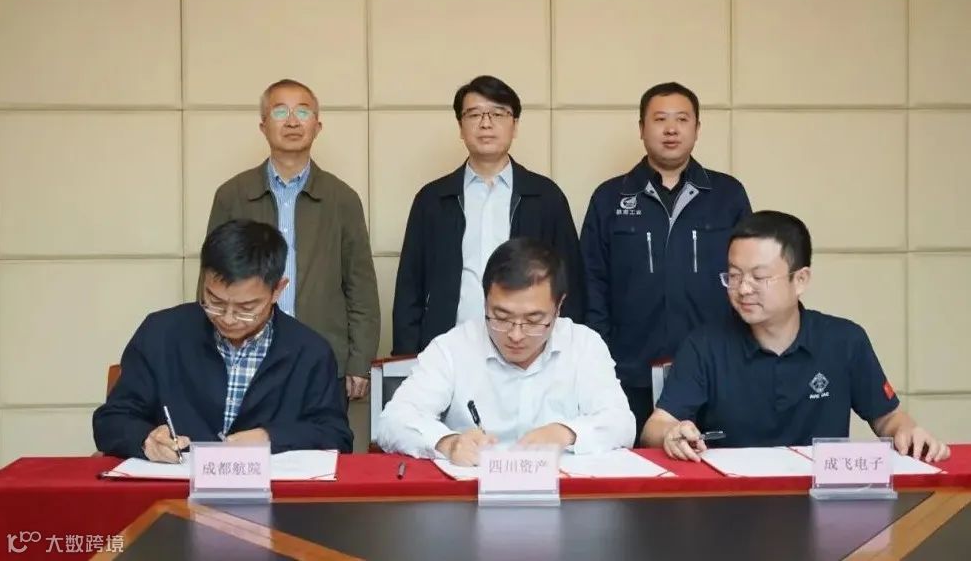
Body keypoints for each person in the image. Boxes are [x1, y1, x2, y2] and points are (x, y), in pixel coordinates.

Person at [643, 211, 950, 463]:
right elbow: (656, 426)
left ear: (800, 279)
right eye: (734, 276)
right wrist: (672, 432)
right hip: (732, 502)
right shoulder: (704, 345)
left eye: (759, 277)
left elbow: (888, 418)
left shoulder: (845, 341)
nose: (743, 289)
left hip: (821, 500)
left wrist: (907, 431)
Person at [94, 220, 353, 462]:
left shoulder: (310, 352)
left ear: (278, 290)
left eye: (246, 308)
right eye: (215, 302)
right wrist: (145, 439)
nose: (228, 319)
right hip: (175, 488)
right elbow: (112, 419)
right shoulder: (161, 334)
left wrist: (270, 438)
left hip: (273, 493)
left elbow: (335, 436)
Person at [580, 81, 751, 441]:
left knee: (712, 466)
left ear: (697, 128)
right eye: (660, 119)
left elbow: (747, 276)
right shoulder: (610, 197)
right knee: (632, 466)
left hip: (713, 367)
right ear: (641, 129)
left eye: (682, 119)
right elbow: (591, 282)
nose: (671, 129)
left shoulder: (727, 195)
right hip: (629, 371)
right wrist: (602, 356)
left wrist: (739, 349)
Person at [378, 237, 634, 466]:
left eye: (533, 320)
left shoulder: (584, 345)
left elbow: (621, 423)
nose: (516, 335)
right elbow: (393, 420)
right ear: (485, 300)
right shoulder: (451, 348)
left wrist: (565, 433)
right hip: (472, 494)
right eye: (501, 317)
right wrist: (448, 443)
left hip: (564, 494)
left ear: (559, 306)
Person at [203, 78, 379, 403]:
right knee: (250, 436)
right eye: (280, 111)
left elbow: (361, 287)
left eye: (303, 111)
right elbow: (210, 280)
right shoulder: (232, 195)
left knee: (319, 435)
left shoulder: (342, 199)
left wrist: (360, 361)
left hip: (323, 357)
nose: (293, 121)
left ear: (317, 126)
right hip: (245, 355)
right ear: (263, 125)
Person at [392, 75, 584, 356]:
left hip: (528, 352)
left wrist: (567, 355)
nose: (485, 123)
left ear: (515, 125)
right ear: (460, 126)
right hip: (449, 350)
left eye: (498, 113)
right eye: (474, 114)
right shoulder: (432, 200)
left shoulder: (545, 197)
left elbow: (570, 286)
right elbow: (410, 289)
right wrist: (406, 357)